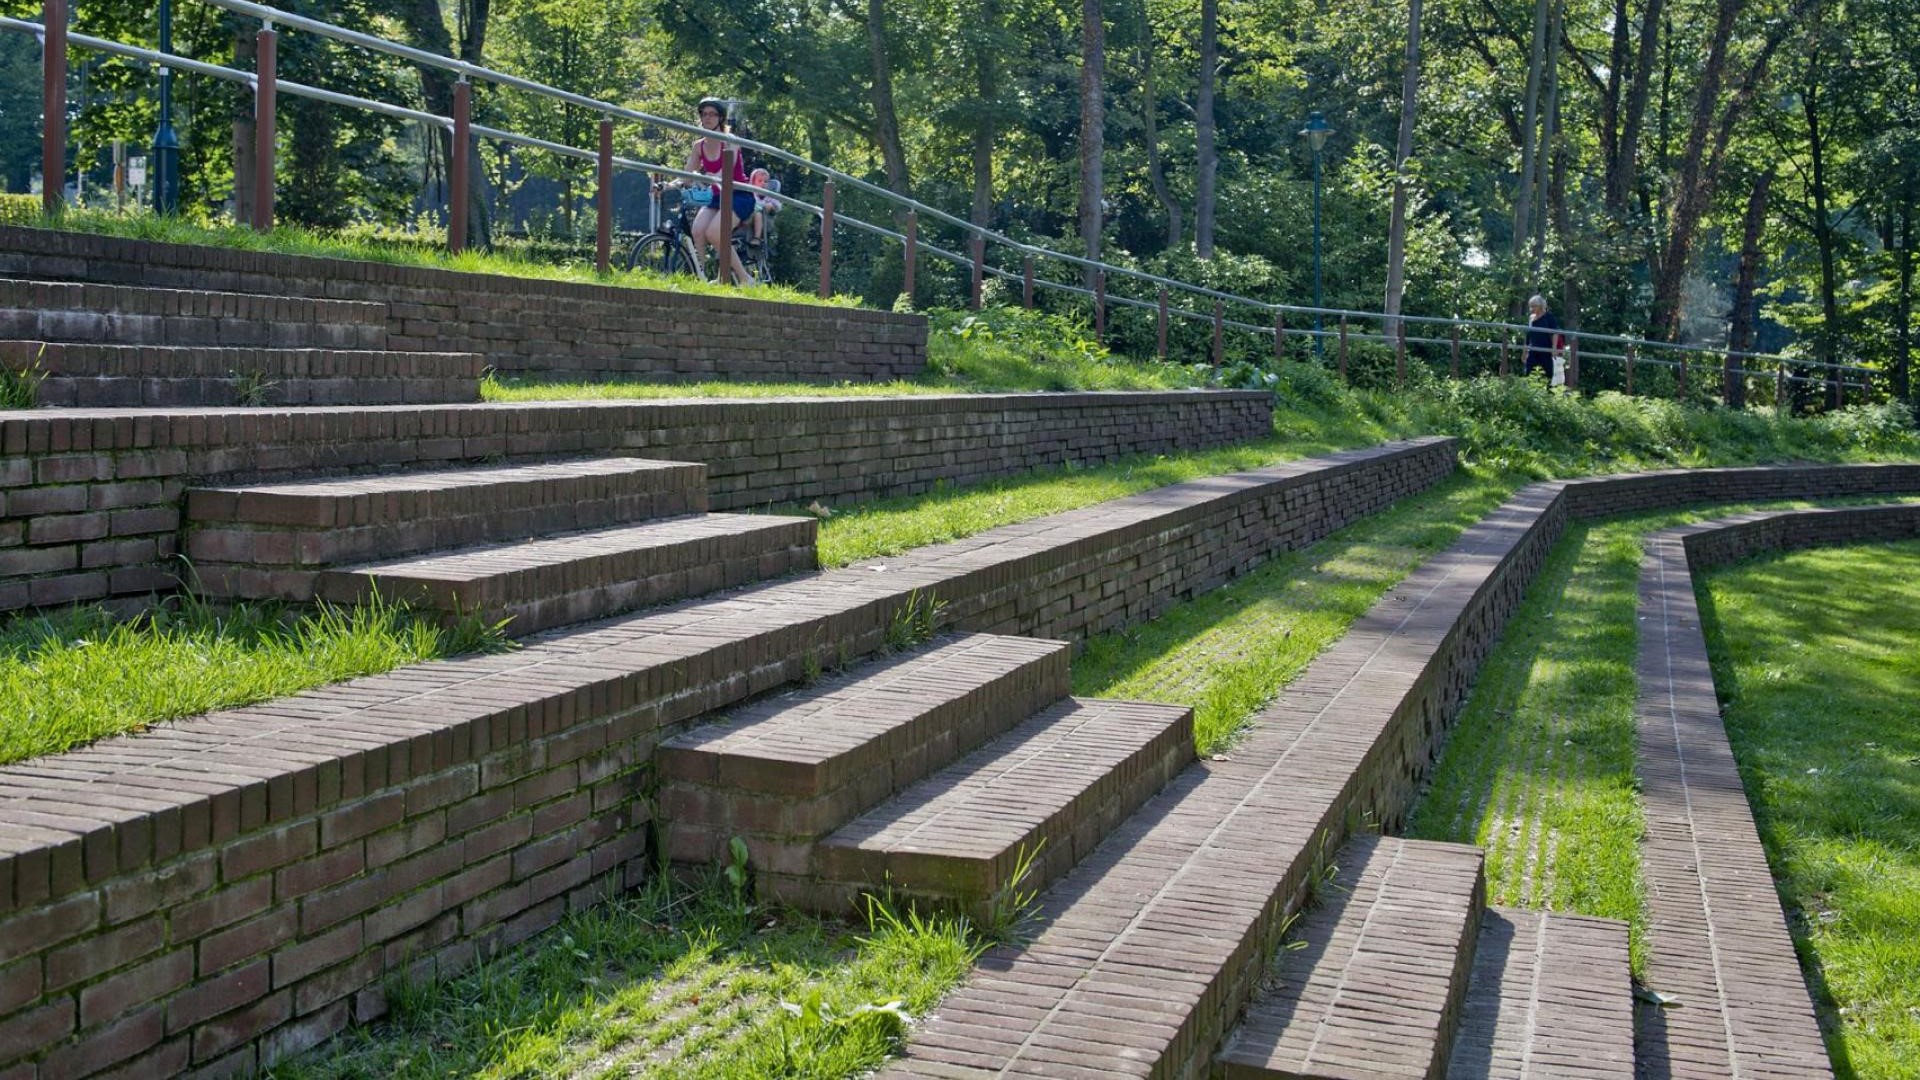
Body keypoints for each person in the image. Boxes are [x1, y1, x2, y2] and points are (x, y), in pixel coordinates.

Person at [680, 97, 756, 286]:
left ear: (721, 118)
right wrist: (667, 185)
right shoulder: (699, 146)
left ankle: (745, 278)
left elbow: (725, 172)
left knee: (715, 233)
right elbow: (686, 174)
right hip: (717, 196)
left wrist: (707, 178)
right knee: (697, 230)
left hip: (739, 195)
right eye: (704, 114)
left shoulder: (730, 140)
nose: (707, 118)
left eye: (712, 114)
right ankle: (701, 278)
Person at [1523, 294, 1563, 382]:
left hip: (1546, 349)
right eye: (1530, 306)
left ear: (1541, 306)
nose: (1531, 309)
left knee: (1548, 373)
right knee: (1529, 372)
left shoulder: (1549, 317)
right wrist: (1524, 351)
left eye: (1534, 306)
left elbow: (1555, 333)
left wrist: (1554, 348)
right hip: (1533, 349)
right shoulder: (1531, 318)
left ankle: (1549, 393)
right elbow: (1528, 335)